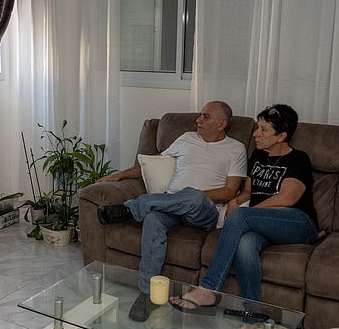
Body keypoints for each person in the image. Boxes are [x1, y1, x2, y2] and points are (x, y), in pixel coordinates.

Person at [96, 101, 247, 322]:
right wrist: (118, 175)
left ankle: (131, 207)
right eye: (199, 115)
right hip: (170, 207)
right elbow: (152, 165)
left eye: (205, 117)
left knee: (193, 195)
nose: (198, 120)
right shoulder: (186, 138)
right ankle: (147, 293)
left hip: (203, 211)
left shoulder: (236, 149)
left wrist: (193, 196)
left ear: (221, 123)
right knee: (153, 219)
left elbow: (229, 191)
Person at [170, 104, 318, 314]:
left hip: (298, 222)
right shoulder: (257, 156)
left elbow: (287, 198)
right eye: (257, 127)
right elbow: (249, 191)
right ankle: (253, 313)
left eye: (264, 130)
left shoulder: (298, 159)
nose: (256, 134)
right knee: (245, 244)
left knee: (242, 217)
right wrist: (236, 201)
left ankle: (208, 288)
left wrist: (246, 213)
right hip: (264, 223)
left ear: (281, 136)